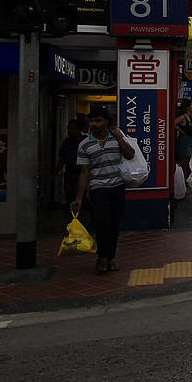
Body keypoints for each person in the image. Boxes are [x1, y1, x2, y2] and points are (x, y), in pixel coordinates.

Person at [70, 104, 136, 274]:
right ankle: (102, 256)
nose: (94, 124)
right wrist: (79, 197)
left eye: (98, 121)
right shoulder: (84, 145)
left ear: (107, 121)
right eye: (91, 121)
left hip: (117, 186)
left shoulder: (116, 138)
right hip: (98, 188)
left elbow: (130, 154)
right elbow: (84, 172)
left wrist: (119, 137)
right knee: (103, 221)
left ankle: (110, 257)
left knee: (114, 223)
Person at [57, 117, 88, 214]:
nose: (69, 131)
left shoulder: (85, 142)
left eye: (71, 128)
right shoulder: (67, 143)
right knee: (69, 197)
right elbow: (62, 159)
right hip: (69, 173)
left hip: (81, 173)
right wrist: (56, 172)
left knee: (79, 196)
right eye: (68, 128)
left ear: (79, 129)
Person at [174, 99, 192, 190]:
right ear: (187, 107)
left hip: (189, 141)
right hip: (183, 142)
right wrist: (180, 130)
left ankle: (183, 184)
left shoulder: (190, 117)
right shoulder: (183, 117)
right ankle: (182, 186)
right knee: (184, 166)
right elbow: (173, 123)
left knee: (186, 166)